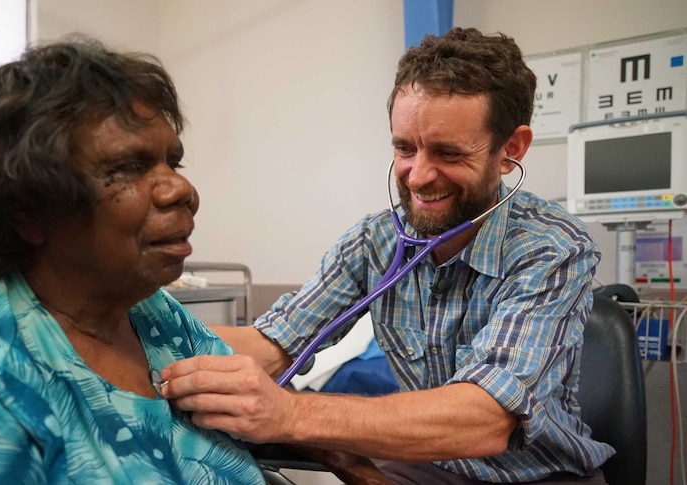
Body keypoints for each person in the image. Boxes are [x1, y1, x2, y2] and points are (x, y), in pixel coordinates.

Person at [160, 27, 614, 484]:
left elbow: (485, 418)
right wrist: (136, 331)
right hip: (427, 466)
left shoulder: (552, 248)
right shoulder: (374, 241)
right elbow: (273, 345)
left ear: (510, 150)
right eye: (404, 148)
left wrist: (289, 412)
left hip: (538, 475)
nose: (417, 177)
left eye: (447, 152)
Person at [0, 37, 269, 484]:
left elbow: (255, 415)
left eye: (173, 164)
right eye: (129, 167)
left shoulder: (150, 313)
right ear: (28, 209)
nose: (181, 191)